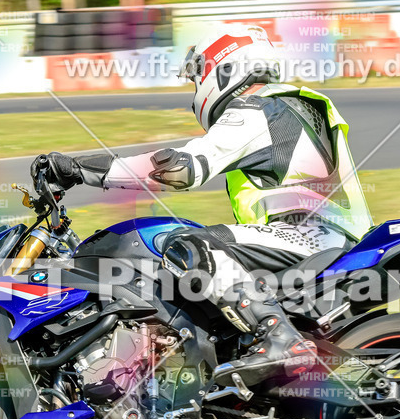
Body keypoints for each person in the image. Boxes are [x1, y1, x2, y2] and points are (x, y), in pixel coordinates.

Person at [37, 24, 373, 387]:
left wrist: (81, 170)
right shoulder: (289, 106)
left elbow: (181, 168)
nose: (197, 86)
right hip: (322, 239)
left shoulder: (261, 108)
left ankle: (278, 337)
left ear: (226, 67)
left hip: (309, 235)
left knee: (188, 244)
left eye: (199, 74)